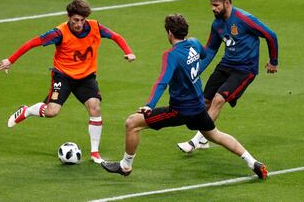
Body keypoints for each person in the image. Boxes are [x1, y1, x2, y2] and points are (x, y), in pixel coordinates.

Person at [100, 14, 268, 179]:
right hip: (199, 108)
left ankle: (125, 165)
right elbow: (204, 54)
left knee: (132, 123)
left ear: (170, 33)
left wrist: (150, 105)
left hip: (180, 111)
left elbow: (162, 82)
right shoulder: (194, 43)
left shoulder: (171, 55)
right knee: (215, 135)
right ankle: (253, 162)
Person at [0, 0, 136, 164]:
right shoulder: (58, 33)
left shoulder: (95, 27)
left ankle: (95, 153)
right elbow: (33, 43)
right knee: (51, 112)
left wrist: (129, 51)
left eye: (82, 20)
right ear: (69, 17)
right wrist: (11, 60)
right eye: (76, 20)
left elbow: (116, 36)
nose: (79, 24)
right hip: (63, 76)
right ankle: (27, 111)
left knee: (95, 108)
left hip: (86, 77)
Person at [177, 0, 278, 152]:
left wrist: (273, 61)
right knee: (205, 101)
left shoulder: (245, 19)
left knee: (218, 100)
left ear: (227, 3)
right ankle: (204, 141)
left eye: (216, 5)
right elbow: (209, 50)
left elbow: (270, 35)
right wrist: (195, 72)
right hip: (226, 65)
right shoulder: (217, 25)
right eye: (211, 5)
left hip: (245, 69)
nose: (213, 9)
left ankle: (196, 140)